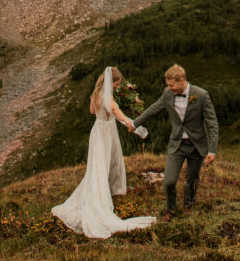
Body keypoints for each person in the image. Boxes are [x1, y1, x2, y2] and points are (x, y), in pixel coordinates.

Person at [51, 66, 156, 238]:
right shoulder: (108, 99)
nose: (117, 86)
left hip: (98, 130)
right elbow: (119, 114)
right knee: (108, 161)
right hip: (107, 132)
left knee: (98, 163)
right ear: (111, 82)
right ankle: (108, 192)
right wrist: (133, 125)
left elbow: (92, 111)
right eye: (116, 83)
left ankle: (107, 188)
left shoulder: (96, 94)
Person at [132, 63, 218, 222]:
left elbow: (212, 123)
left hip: (196, 146)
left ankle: (188, 206)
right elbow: (153, 109)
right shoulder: (167, 93)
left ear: (182, 80)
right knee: (169, 181)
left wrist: (212, 150)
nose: (169, 88)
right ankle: (170, 210)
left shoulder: (201, 95)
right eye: (168, 85)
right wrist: (135, 123)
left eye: (172, 85)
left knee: (192, 180)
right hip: (177, 144)